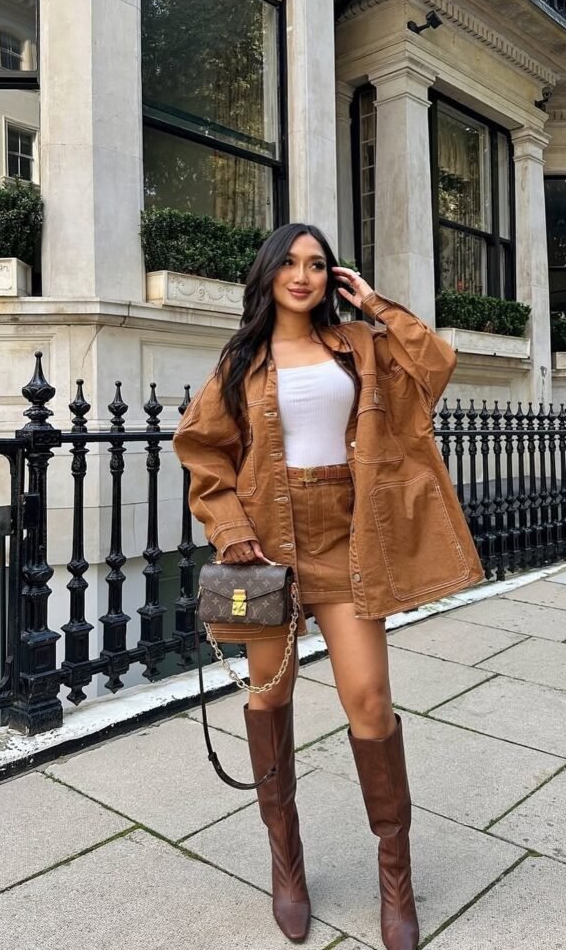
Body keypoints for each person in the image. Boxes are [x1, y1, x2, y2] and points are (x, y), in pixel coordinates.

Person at [173, 223, 483, 950]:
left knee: (369, 702)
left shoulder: (360, 345)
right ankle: (288, 869)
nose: (303, 275)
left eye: (317, 264)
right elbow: (203, 451)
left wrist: (378, 306)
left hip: (349, 540)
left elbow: (435, 366)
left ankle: (394, 881)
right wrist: (228, 528)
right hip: (265, 548)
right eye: (290, 262)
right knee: (268, 695)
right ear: (269, 273)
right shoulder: (241, 360)